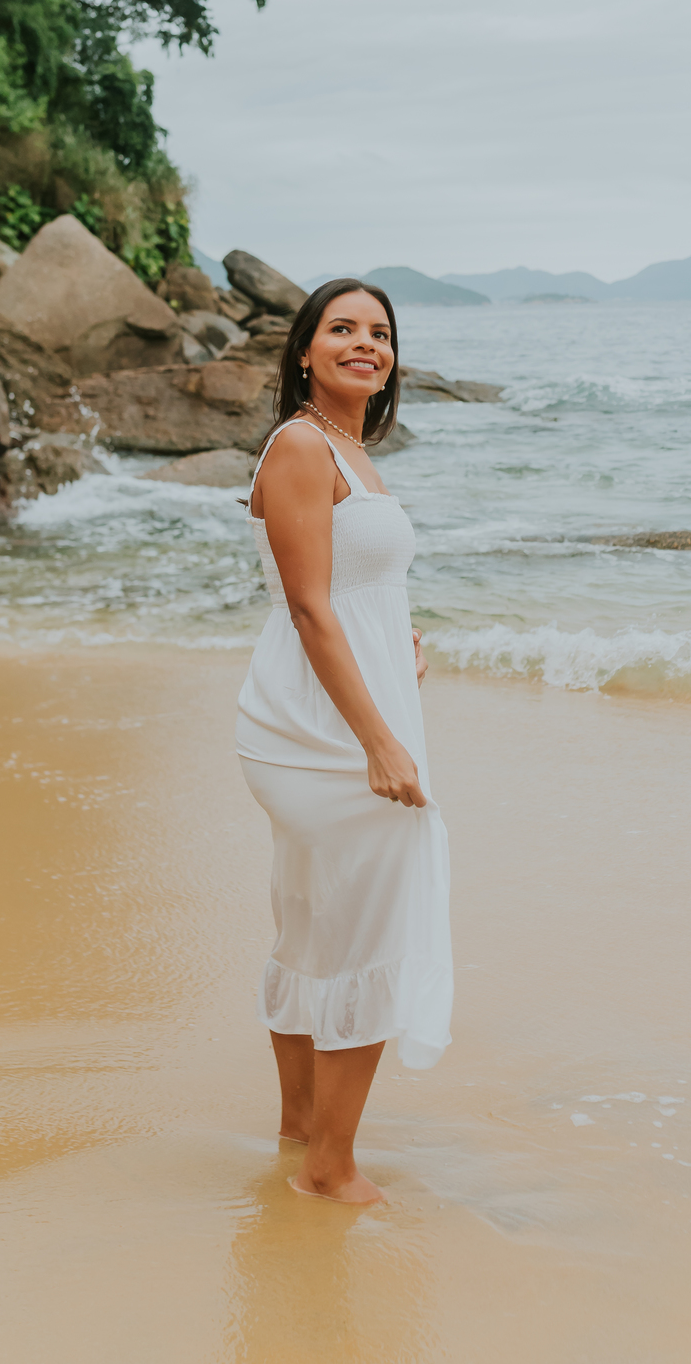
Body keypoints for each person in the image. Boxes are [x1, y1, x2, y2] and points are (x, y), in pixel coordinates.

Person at [235, 278, 453, 1205]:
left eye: (380, 332)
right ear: (304, 352)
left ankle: (299, 1134)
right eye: (343, 330)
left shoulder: (355, 455)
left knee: (315, 921)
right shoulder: (298, 444)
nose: (366, 344)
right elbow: (307, 606)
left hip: (347, 709)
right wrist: (380, 742)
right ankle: (331, 1167)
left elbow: (350, 596)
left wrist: (396, 643)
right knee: (372, 919)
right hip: (317, 730)